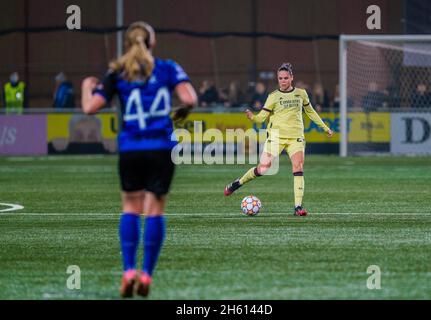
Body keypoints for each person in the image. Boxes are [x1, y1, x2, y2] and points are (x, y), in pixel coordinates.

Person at [81, 21, 197, 298]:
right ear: (152, 43)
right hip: (161, 147)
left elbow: (90, 108)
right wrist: (176, 116)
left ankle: (128, 270)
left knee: (130, 207)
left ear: (128, 44)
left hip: (131, 148)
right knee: (155, 209)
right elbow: (189, 98)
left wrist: (87, 85)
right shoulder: (168, 67)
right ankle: (146, 275)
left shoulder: (117, 72)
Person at [224, 63, 333, 216]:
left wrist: (325, 127)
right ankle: (238, 183)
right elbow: (262, 117)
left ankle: (298, 207)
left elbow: (311, 112)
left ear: (292, 78)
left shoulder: (301, 94)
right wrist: (253, 117)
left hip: (296, 138)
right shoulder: (273, 96)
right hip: (276, 137)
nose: (283, 81)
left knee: (298, 167)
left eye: (286, 78)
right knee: (263, 168)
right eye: (280, 78)